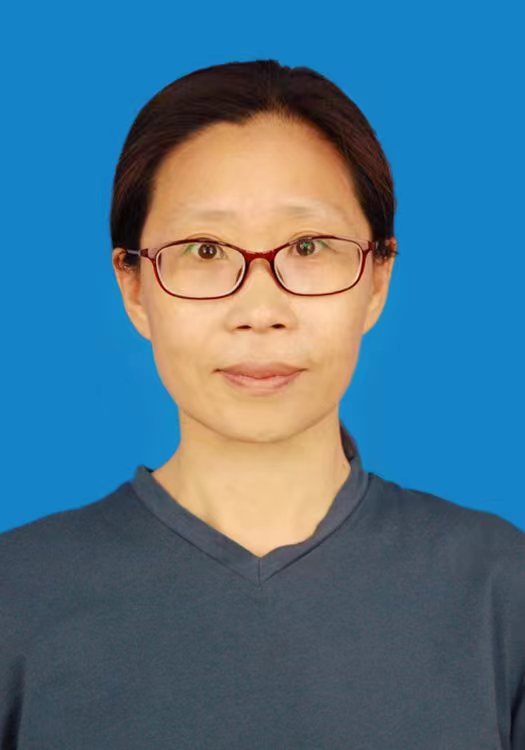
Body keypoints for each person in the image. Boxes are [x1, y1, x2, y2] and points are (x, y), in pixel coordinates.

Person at [1, 59, 523, 749]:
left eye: (307, 246)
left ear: (377, 279)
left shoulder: (501, 590)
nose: (259, 310)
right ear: (133, 287)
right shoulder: (15, 595)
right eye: (204, 250)